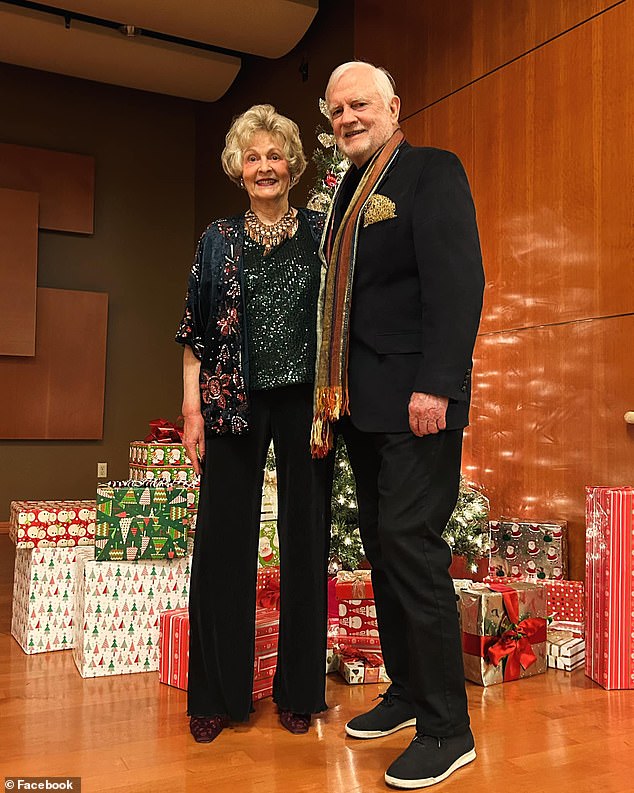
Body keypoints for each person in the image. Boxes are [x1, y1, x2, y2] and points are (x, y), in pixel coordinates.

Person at [311, 62, 485, 788]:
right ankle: (409, 692)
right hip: (362, 404)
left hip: (418, 401)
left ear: (393, 107)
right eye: (337, 108)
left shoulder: (430, 172)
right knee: (385, 550)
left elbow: (458, 280)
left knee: (412, 547)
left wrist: (437, 385)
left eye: (360, 104)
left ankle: (449, 727)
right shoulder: (346, 192)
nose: (348, 116)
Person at [175, 104, 332, 743]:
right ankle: (215, 695)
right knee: (221, 546)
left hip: (305, 407)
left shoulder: (321, 233)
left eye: (275, 156)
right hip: (229, 402)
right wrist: (191, 410)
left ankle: (300, 692)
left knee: (306, 542)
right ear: (238, 168)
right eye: (253, 156)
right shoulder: (217, 239)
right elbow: (194, 331)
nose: (264, 167)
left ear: (293, 165)